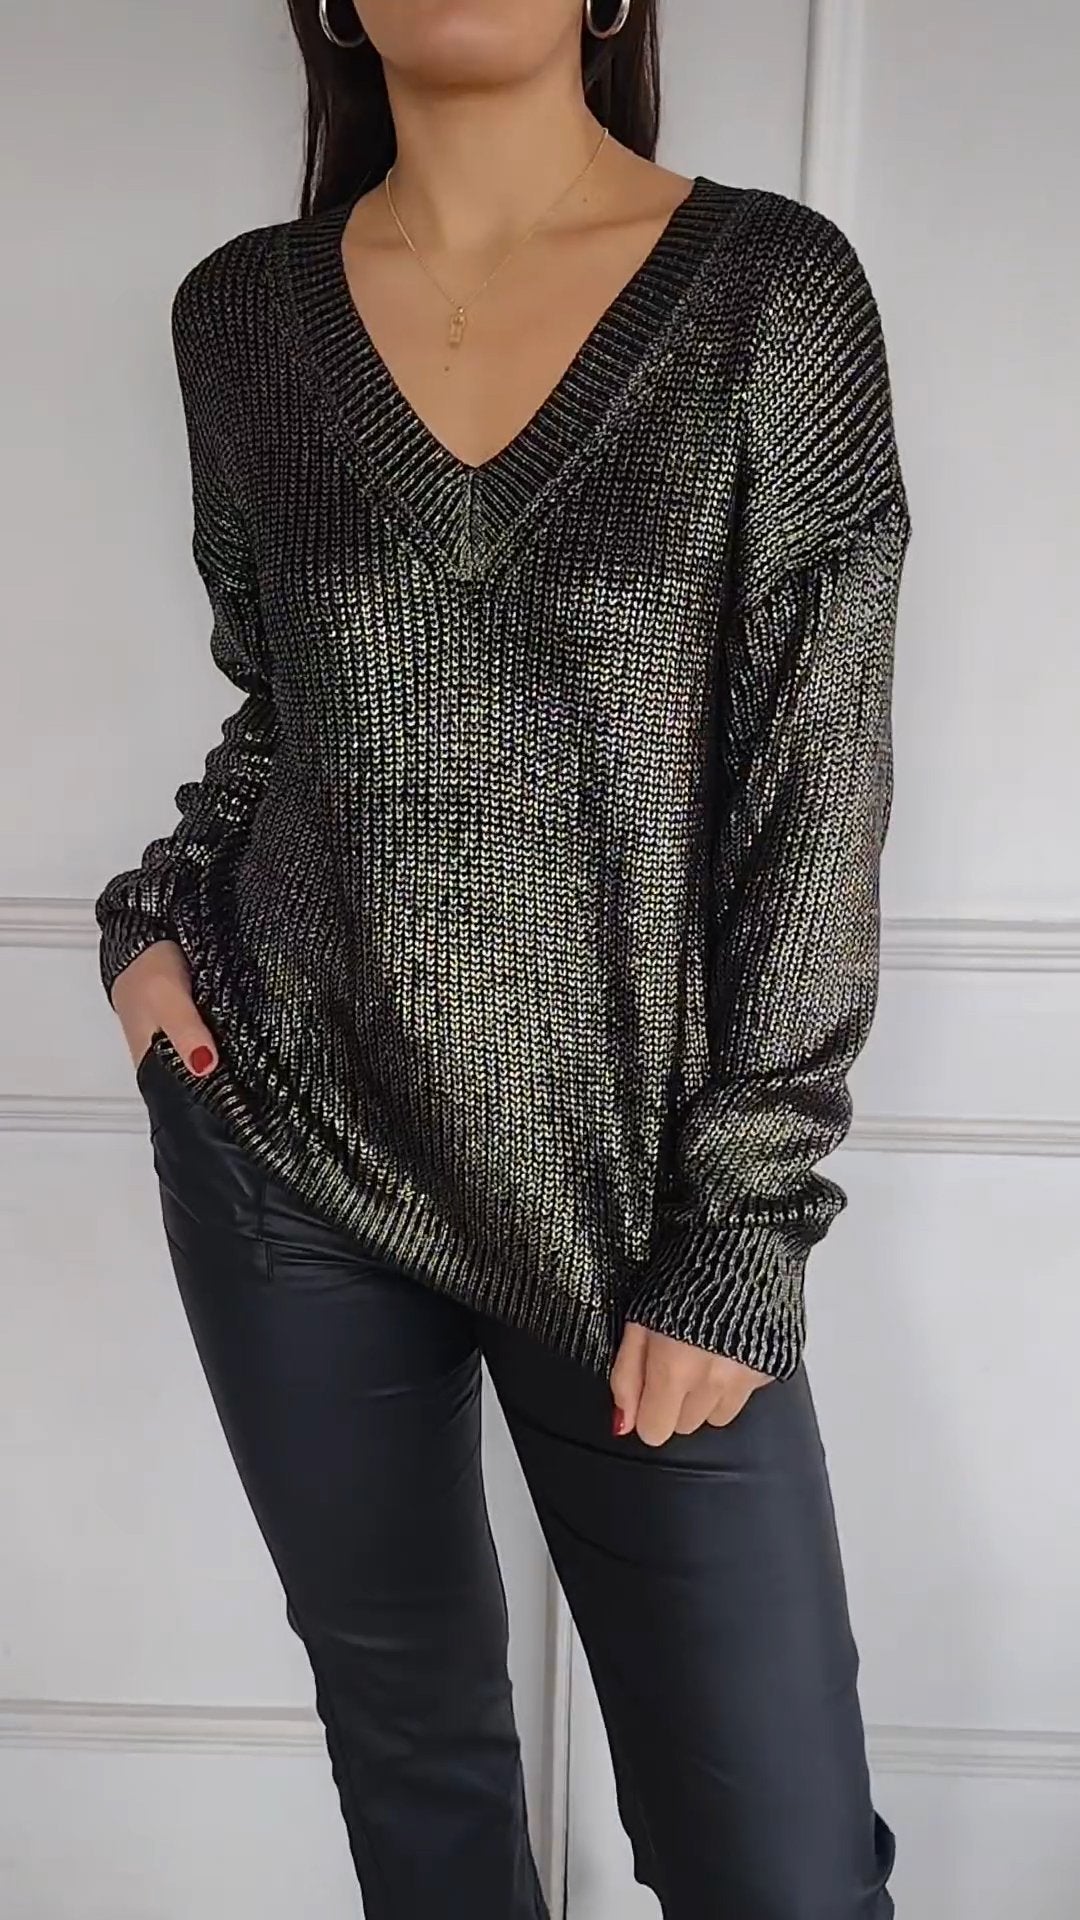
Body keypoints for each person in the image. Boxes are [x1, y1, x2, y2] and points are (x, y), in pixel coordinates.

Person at [94, 1, 911, 1914]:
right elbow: (285, 716)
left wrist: (744, 1221)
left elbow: (818, 778)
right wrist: (151, 932)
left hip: (641, 1204)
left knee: (781, 1871)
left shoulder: (770, 295)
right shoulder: (245, 317)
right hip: (283, 1144)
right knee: (421, 1789)